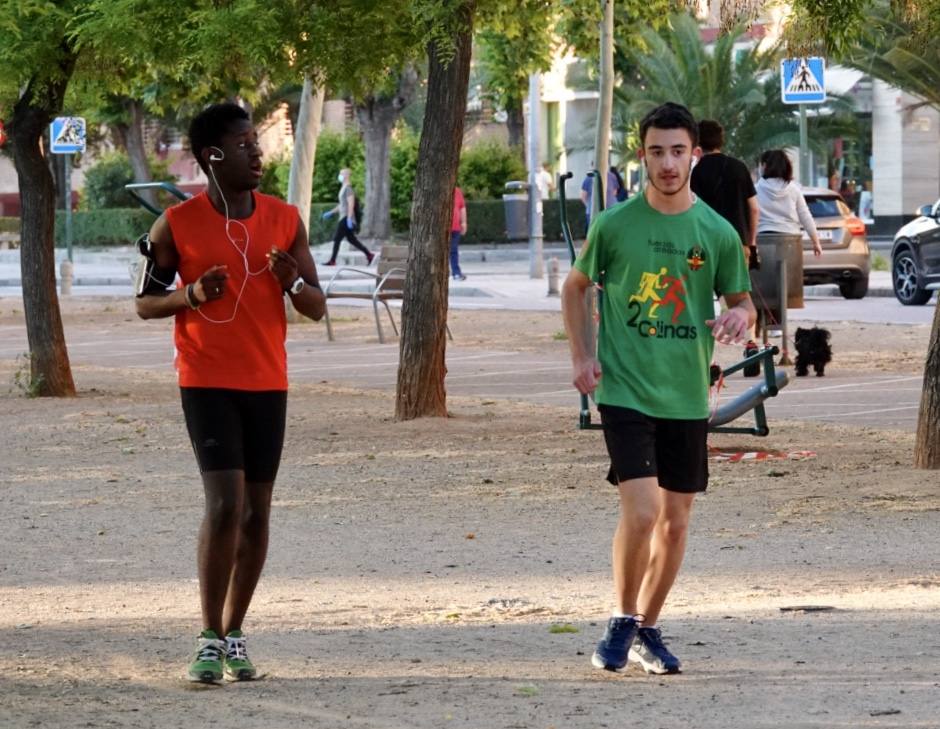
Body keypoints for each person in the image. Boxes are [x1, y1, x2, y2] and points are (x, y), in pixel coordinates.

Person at [135, 103, 327, 684]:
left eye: (257, 141)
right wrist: (190, 296)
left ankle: (237, 632)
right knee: (223, 504)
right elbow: (146, 302)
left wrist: (291, 278)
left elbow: (317, 307)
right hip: (206, 379)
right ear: (213, 156)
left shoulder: (285, 218)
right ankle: (208, 639)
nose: (258, 152)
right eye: (244, 143)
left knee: (256, 513)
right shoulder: (177, 223)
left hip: (268, 382)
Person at [561, 102, 755, 676]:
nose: (667, 163)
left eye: (677, 151)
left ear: (695, 153)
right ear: (641, 154)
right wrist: (582, 356)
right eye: (656, 151)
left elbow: (740, 301)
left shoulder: (716, 233)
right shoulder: (614, 224)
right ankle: (622, 619)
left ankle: (648, 627)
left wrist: (739, 318)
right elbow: (576, 288)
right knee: (642, 511)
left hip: (686, 393)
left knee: (676, 521)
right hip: (624, 388)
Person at [754, 149, 822, 336]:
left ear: (765, 166)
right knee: (782, 284)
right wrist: (815, 240)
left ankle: (764, 323)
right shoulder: (794, 189)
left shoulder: (757, 189)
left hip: (763, 241)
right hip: (790, 242)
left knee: (763, 284)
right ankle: (777, 323)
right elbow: (805, 215)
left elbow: (750, 213)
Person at [690, 119, 759, 269]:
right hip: (738, 241)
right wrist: (751, 242)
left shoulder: (696, 172)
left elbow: (691, 211)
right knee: (737, 290)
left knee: (707, 290)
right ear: (721, 141)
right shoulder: (739, 167)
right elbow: (754, 209)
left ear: (696, 142)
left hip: (706, 243)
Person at [322, 168, 374, 266]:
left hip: (346, 218)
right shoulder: (343, 188)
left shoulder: (348, 189)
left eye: (341, 174)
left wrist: (349, 218)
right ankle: (369, 254)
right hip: (343, 217)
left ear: (346, 175)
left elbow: (351, 204)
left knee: (337, 238)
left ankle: (332, 260)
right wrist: (331, 212)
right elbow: (341, 205)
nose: (339, 176)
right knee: (352, 239)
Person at [450, 186, 468, 281]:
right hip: (442, 228)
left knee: (453, 251)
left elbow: (462, 207)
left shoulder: (457, 191)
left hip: (455, 227)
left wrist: (464, 223)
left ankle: (456, 273)